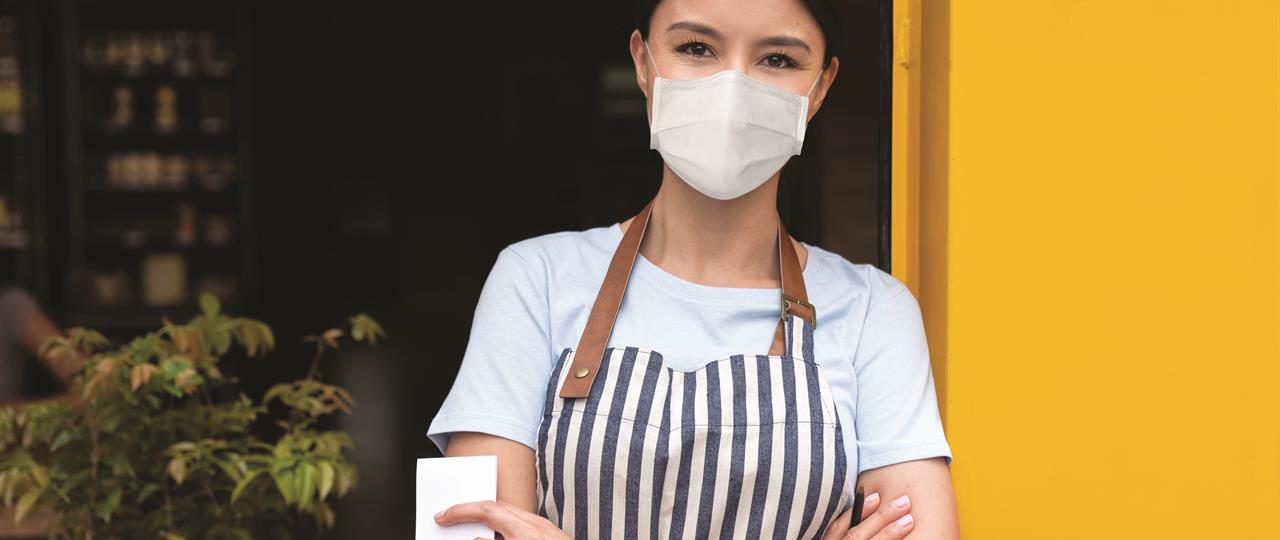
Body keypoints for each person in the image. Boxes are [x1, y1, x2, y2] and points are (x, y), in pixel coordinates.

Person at [427, 0, 958, 537]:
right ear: (642, 63)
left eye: (777, 60)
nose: (733, 88)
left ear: (820, 87)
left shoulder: (875, 310)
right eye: (696, 48)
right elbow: (465, 532)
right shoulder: (533, 278)